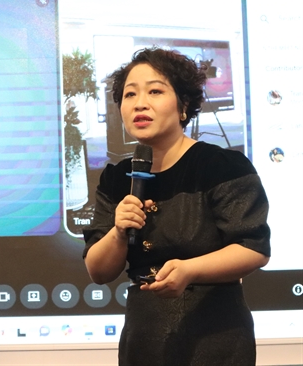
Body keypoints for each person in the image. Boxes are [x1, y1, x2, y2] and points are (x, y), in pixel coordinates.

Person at [82, 47, 271, 366]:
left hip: (215, 334)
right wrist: (118, 232)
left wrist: (190, 270)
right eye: (130, 94)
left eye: (155, 91)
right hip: (144, 337)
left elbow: (253, 248)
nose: (140, 103)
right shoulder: (117, 178)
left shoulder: (222, 166)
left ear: (183, 106)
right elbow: (98, 271)